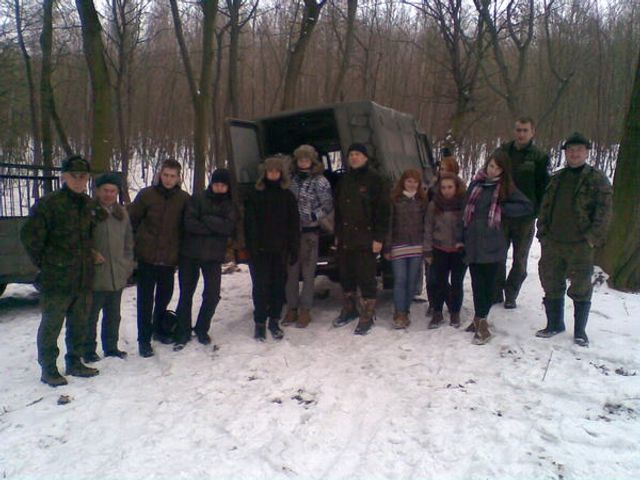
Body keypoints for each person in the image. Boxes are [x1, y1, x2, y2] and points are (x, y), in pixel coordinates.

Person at [21, 155, 105, 387]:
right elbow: (30, 237)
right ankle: (48, 368)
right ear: (64, 177)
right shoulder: (49, 204)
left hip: (82, 276)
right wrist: (48, 263)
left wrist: (90, 253)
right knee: (52, 325)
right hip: (57, 279)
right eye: (73, 176)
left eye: (83, 176)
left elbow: (91, 232)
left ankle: (74, 361)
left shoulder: (88, 204)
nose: (78, 180)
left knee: (79, 323)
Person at [535, 132, 612, 347]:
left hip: (580, 244)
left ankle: (580, 331)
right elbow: (545, 207)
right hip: (553, 241)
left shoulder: (597, 179)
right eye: (570, 150)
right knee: (551, 281)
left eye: (579, 150)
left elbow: (604, 212)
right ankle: (554, 324)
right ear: (565, 153)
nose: (574, 154)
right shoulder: (557, 178)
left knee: (581, 286)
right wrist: (542, 233)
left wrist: (592, 238)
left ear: (586, 153)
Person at [463, 151, 533, 344]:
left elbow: (527, 206)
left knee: (487, 284)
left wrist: (503, 209)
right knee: (476, 282)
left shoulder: (505, 188)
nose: (492, 170)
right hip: (473, 241)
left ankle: (482, 321)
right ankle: (479, 318)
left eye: (497, 168)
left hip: (493, 242)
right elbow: (465, 209)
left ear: (503, 171)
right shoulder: (476, 184)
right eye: (491, 166)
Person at [128, 158, 190, 358]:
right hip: (147, 258)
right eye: (165, 175)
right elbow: (132, 221)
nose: (168, 179)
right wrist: (134, 247)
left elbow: (186, 227)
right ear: (159, 175)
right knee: (145, 302)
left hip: (169, 260)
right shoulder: (146, 195)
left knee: (164, 298)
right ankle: (143, 340)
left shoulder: (183, 199)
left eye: (173, 176)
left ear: (178, 178)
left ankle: (158, 329)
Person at [173, 168, 237, 350]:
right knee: (186, 294)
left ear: (227, 187)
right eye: (216, 184)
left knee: (212, 294)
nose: (219, 188)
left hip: (213, 256)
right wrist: (214, 227)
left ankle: (202, 328)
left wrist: (206, 219)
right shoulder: (197, 198)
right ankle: (183, 331)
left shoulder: (230, 204)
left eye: (223, 185)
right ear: (211, 184)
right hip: (190, 254)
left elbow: (228, 227)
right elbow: (189, 223)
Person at [333, 143, 390, 335]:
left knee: (366, 277)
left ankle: (367, 314)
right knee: (346, 275)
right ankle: (350, 309)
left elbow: (383, 211)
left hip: (367, 238)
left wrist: (379, 238)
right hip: (346, 238)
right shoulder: (344, 180)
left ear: (365, 157)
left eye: (357, 154)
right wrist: (337, 235)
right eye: (351, 154)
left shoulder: (376, 180)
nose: (354, 157)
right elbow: (338, 211)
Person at [495, 117, 550, 308]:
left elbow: (544, 187)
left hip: (525, 218)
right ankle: (496, 291)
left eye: (525, 130)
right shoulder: (503, 152)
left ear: (532, 132)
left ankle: (511, 293)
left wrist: (538, 212)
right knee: (497, 256)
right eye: (518, 130)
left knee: (520, 260)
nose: (521, 134)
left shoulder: (539, 157)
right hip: (502, 214)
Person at [244, 155, 300, 341]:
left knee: (278, 287)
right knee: (260, 288)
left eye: (277, 171)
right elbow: (250, 224)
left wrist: (294, 248)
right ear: (265, 173)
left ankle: (274, 321)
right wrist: (252, 249)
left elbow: (294, 224)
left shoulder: (287, 196)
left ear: (281, 173)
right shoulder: (254, 195)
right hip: (260, 251)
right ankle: (260, 322)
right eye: (270, 171)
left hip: (281, 250)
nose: (273, 174)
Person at [83, 173, 135, 362]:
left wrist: (127, 265)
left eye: (113, 191)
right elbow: (80, 240)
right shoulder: (89, 212)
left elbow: (128, 242)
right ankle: (88, 350)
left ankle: (111, 347)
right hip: (95, 275)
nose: (109, 194)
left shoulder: (122, 213)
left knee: (113, 315)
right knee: (91, 316)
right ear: (98, 191)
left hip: (117, 274)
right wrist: (90, 254)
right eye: (105, 190)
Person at [283, 145, 333, 328]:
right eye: (300, 159)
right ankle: (292, 308)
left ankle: (305, 310)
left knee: (308, 272)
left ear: (312, 161)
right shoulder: (290, 181)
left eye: (306, 159)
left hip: (310, 233)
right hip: (291, 234)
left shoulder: (320, 181)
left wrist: (313, 216)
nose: (303, 162)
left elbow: (327, 205)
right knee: (291, 272)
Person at [383, 169, 428, 329]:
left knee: (411, 280)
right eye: (409, 181)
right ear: (403, 182)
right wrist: (387, 247)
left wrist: (426, 246)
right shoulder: (395, 200)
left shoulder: (422, 201)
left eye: (415, 181)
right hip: (398, 245)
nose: (412, 184)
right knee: (400, 279)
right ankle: (399, 311)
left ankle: (405, 310)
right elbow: (389, 224)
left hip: (416, 245)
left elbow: (426, 224)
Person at [424, 172, 467, 329]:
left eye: (450, 187)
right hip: (439, 248)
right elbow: (428, 227)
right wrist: (427, 250)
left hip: (458, 250)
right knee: (439, 282)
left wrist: (465, 244)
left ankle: (455, 312)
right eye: (443, 187)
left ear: (456, 187)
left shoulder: (463, 204)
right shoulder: (434, 204)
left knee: (457, 282)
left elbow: (468, 226)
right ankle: (437, 312)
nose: (446, 191)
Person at [425, 148, 461, 315]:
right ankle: (434, 304)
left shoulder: (460, 191)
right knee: (433, 276)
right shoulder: (433, 188)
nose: (442, 171)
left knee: (452, 279)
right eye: (441, 168)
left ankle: (452, 305)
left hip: (455, 243)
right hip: (436, 239)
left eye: (446, 169)